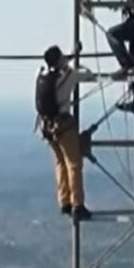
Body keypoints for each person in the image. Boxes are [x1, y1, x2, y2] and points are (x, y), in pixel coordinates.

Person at [35, 45, 96, 221]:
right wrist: (77, 64)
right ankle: (78, 205)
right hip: (63, 126)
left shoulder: (42, 74)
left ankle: (64, 202)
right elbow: (89, 74)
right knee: (73, 164)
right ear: (60, 60)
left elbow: (56, 66)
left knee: (60, 163)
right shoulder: (69, 76)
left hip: (47, 127)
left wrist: (70, 56)